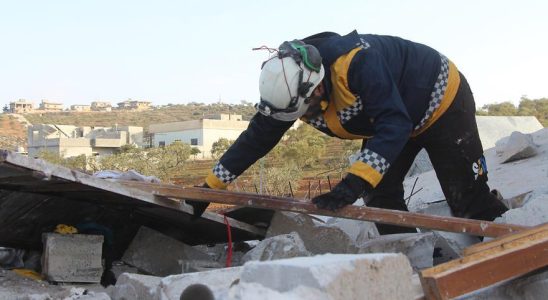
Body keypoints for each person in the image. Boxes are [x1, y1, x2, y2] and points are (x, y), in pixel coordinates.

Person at [188, 30, 508, 234]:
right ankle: (410, 259)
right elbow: (255, 140)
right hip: (390, 117)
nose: (301, 118)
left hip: (441, 101)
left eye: (304, 109)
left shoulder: (357, 63)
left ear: (316, 87)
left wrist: (351, 183)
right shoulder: (290, 90)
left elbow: (394, 124)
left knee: (466, 200)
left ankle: (511, 243)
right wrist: (207, 189)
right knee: (380, 197)